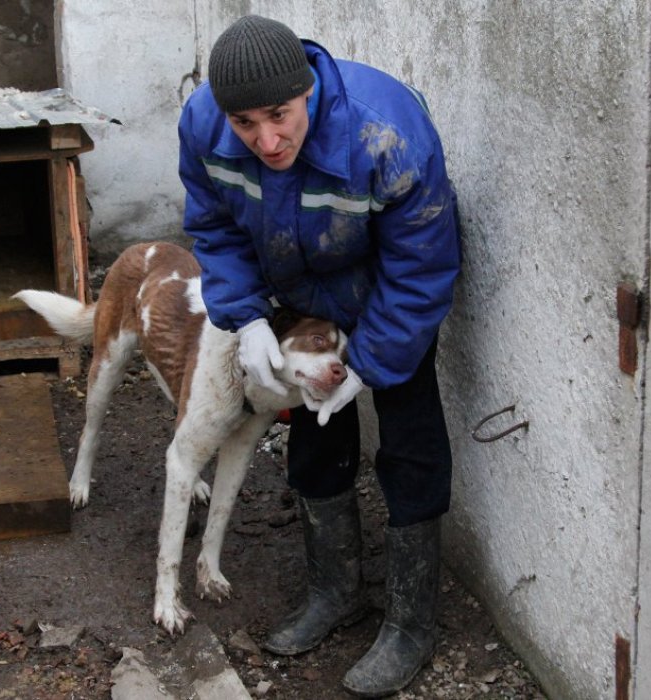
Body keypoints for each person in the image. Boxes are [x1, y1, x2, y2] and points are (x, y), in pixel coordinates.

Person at [178, 14, 460, 698]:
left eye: (280, 115)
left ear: (307, 91)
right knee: (313, 436)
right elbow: (213, 227)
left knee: (410, 442)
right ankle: (335, 591)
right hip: (295, 296)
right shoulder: (204, 126)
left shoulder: (383, 131)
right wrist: (245, 317)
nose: (266, 140)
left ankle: (411, 622)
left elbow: (422, 263)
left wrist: (369, 360)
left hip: (385, 293)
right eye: (246, 124)